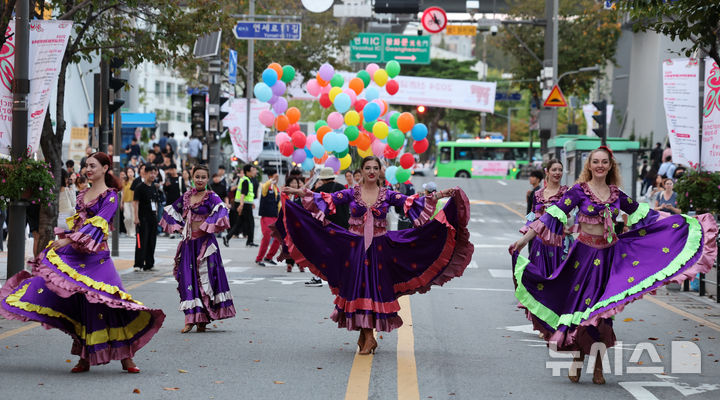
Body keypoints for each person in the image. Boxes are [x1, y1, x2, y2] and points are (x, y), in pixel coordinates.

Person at [509, 146, 717, 384]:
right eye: (595, 161)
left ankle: (598, 367)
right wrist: (523, 240)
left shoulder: (617, 194)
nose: (599, 166)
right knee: (579, 312)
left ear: (610, 166)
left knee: (603, 315)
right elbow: (549, 216)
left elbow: (646, 214)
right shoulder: (578, 191)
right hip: (582, 259)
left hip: (609, 259)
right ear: (589, 165)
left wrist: (682, 222)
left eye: (604, 162)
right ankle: (577, 358)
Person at [278, 156, 473, 354]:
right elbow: (324, 199)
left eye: (375, 168)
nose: (371, 171)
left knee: (372, 290)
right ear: (361, 171)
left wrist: (440, 194)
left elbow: (413, 202)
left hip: (379, 251)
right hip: (354, 249)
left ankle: (368, 337)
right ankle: (366, 336)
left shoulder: (387, 194)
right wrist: (296, 191)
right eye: (367, 168)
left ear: (380, 171)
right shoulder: (351, 193)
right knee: (358, 290)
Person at [0, 152, 165, 373]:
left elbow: (96, 227)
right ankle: (84, 357)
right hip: (78, 254)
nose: (88, 169)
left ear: (105, 168)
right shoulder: (81, 196)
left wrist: (69, 239)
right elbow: (79, 227)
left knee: (111, 302)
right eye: (86, 166)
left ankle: (126, 357)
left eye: (93, 166)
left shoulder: (111, 197)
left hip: (99, 257)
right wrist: (64, 240)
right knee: (82, 303)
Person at [161, 165, 236, 333]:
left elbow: (223, 210)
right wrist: (180, 227)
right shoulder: (187, 196)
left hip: (205, 245)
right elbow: (171, 211)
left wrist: (207, 224)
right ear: (192, 178)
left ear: (207, 179)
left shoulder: (211, 197)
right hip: (189, 244)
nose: (200, 179)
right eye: (197, 176)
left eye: (203, 177)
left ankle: (204, 318)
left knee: (207, 279)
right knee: (188, 280)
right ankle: (190, 319)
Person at [514, 159, 570, 280]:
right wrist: (525, 236)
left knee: (557, 280)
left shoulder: (566, 192)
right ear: (547, 172)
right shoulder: (537, 194)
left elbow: (573, 215)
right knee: (537, 279)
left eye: (560, 170)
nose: (557, 173)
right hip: (539, 243)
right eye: (554, 170)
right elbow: (533, 216)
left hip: (559, 243)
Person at [133, 165, 160, 271]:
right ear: (145, 173)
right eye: (151, 173)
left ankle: (149, 263)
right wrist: (136, 218)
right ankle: (138, 264)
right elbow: (135, 203)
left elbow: (156, 203)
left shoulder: (154, 187)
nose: (153, 175)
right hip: (142, 218)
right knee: (141, 242)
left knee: (152, 241)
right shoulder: (139, 187)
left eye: (154, 173)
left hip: (152, 218)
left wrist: (157, 215)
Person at [224, 164, 258, 247]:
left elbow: (247, 194)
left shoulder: (247, 179)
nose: (254, 172)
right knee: (250, 222)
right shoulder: (246, 180)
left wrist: (251, 203)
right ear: (248, 172)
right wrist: (241, 206)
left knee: (239, 222)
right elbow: (243, 194)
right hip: (244, 205)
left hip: (245, 204)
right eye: (252, 170)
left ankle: (227, 237)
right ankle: (250, 241)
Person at [255, 167, 281, 266]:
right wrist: (271, 180)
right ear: (270, 177)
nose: (277, 179)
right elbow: (266, 185)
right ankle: (259, 258)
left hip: (275, 216)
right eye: (275, 176)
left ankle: (269, 257)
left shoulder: (276, 188)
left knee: (278, 238)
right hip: (266, 216)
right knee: (266, 236)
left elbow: (278, 204)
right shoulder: (265, 186)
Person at [281, 176, 305, 273]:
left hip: (299, 222)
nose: (294, 184)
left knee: (300, 244)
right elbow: (285, 206)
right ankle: (289, 263)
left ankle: (301, 264)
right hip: (288, 221)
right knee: (288, 243)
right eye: (292, 183)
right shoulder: (285, 194)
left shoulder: (300, 195)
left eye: (296, 183)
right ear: (288, 184)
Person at [122, 167, 136, 238]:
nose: (130, 173)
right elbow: (123, 192)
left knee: (133, 218)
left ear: (134, 173)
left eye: (131, 172)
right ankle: (128, 231)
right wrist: (122, 202)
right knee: (127, 217)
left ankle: (132, 232)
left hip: (134, 201)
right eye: (128, 172)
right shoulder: (125, 181)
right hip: (126, 201)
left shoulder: (136, 181)